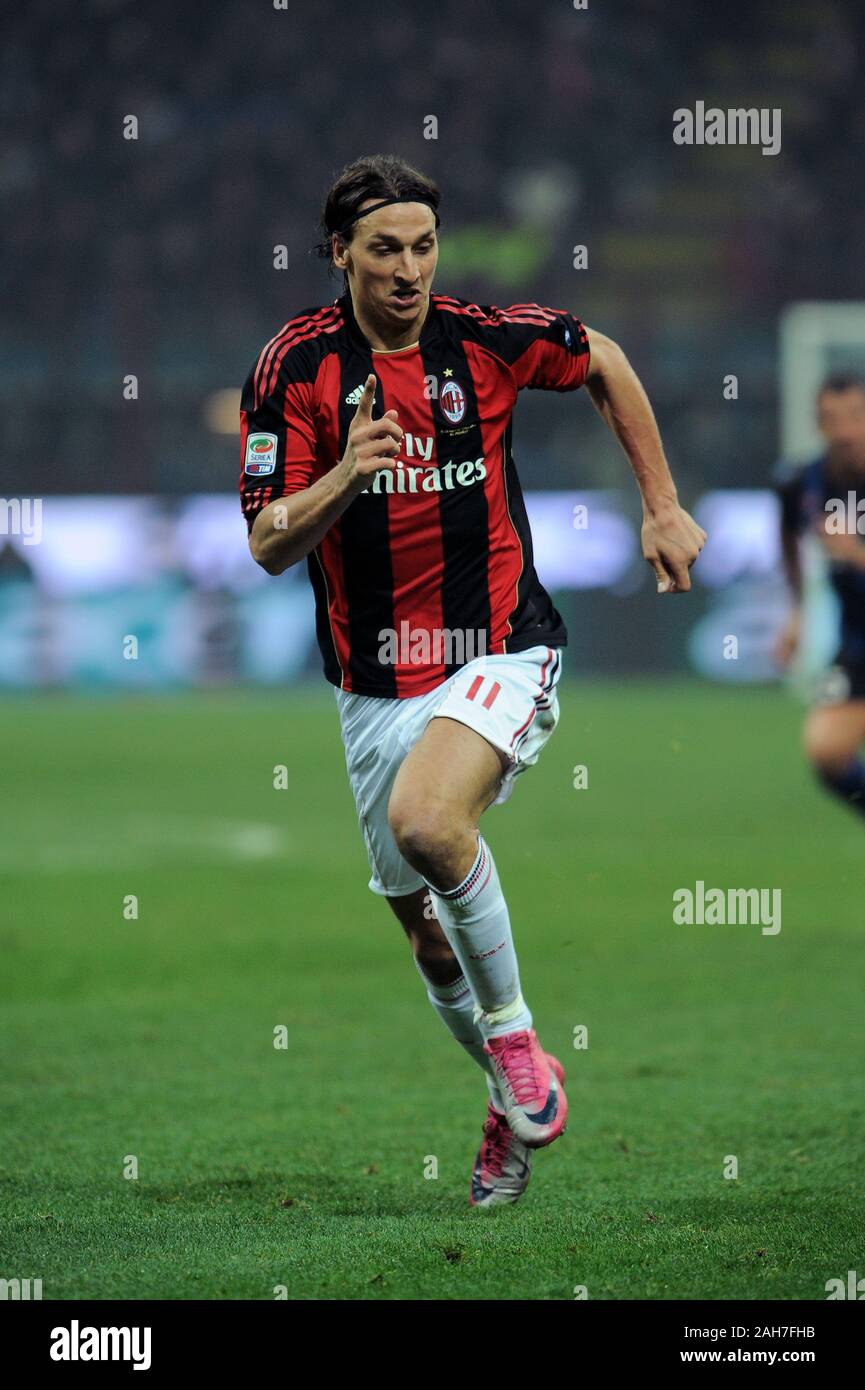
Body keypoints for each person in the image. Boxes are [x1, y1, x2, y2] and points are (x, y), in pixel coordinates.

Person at [239, 154, 705, 1206]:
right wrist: (348, 472)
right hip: (371, 684)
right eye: (383, 250)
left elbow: (603, 360)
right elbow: (268, 541)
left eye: (422, 246)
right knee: (423, 934)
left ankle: (517, 1042)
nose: (408, 270)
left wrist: (661, 503)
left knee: (430, 823)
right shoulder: (292, 369)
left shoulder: (482, 341)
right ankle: (507, 1087)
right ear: (339, 256)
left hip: (499, 645)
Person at [776, 374, 865, 818]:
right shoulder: (802, 483)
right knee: (827, 751)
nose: (845, 431)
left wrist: (856, 554)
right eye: (831, 419)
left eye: (855, 417)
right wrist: (796, 614)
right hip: (856, 641)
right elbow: (789, 546)